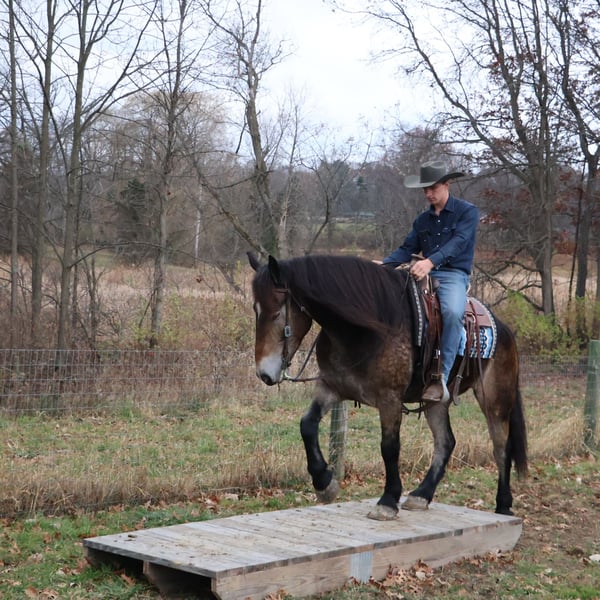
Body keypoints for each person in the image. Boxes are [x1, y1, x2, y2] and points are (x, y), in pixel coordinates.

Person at [379, 160, 479, 402]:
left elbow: (459, 243)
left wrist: (430, 262)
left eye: (433, 188)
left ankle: (441, 377)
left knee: (452, 313)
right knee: (396, 306)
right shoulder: (422, 220)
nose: (428, 193)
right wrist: (383, 265)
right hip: (423, 273)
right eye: (425, 189)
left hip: (453, 275)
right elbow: (407, 249)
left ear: (447, 184)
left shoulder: (467, 212)